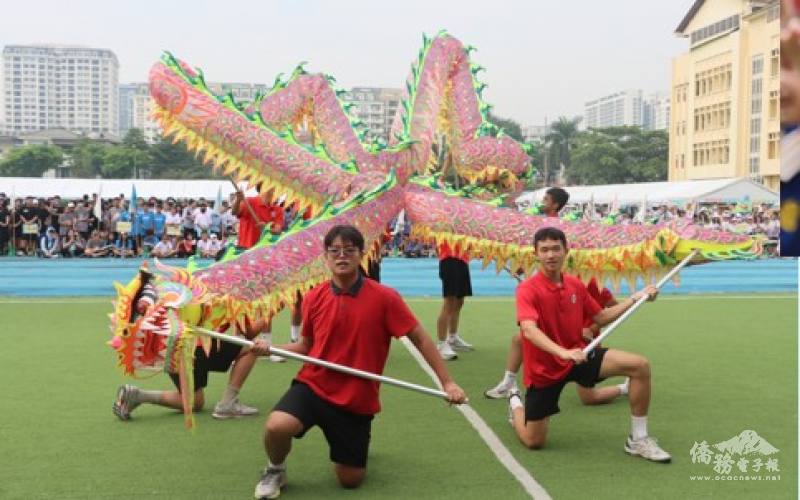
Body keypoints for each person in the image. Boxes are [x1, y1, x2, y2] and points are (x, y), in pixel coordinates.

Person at [250, 225, 466, 498]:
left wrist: (447, 382)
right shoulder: (315, 297)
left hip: (356, 397)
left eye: (349, 250)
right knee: (276, 426)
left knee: (350, 479)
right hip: (314, 385)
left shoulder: (385, 297)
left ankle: (351, 444)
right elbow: (306, 346)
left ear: (361, 255)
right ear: (326, 258)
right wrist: (272, 349)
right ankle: (275, 469)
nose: (342, 256)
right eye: (335, 251)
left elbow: (421, 339)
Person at [507, 226, 669, 463]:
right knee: (534, 441)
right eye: (544, 250)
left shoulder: (575, 284)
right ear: (536, 254)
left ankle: (639, 439)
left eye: (555, 249)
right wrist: (563, 352)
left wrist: (637, 297)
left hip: (580, 356)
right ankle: (514, 404)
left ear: (566, 251)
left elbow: (601, 317)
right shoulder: (527, 289)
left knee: (639, 366)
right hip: (546, 368)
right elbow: (529, 331)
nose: (550, 255)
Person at [114, 281, 263, 421]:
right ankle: (228, 403)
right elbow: (249, 334)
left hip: (171, 348)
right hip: (195, 346)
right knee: (251, 349)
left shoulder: (195, 287)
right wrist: (271, 313)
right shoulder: (233, 296)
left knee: (195, 403)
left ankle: (138, 396)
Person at [435, 239, 473, 360]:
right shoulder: (443, 221)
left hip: (463, 258)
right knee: (449, 302)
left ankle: (452, 337)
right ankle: (441, 343)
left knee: (459, 300)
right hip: (449, 258)